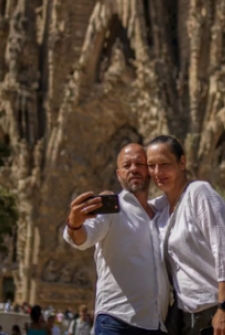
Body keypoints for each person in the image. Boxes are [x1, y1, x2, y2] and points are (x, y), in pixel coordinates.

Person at [147, 135, 225, 335]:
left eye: (164, 164)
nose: (157, 172)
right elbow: (131, 208)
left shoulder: (200, 193)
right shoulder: (161, 210)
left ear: (182, 162)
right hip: (194, 314)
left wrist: (224, 308)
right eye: (151, 166)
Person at [64, 143, 169, 335]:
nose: (134, 169)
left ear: (149, 170)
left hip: (156, 324)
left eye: (139, 163)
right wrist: (74, 224)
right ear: (119, 174)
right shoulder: (111, 207)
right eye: (127, 165)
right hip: (117, 322)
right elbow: (84, 237)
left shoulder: (162, 214)